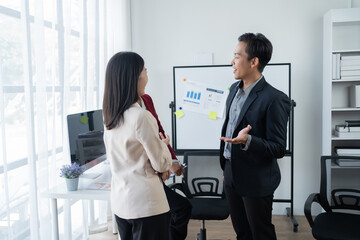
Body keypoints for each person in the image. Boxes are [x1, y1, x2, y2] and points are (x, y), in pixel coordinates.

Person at [219, 33, 290, 240]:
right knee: (242, 233)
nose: (232, 61)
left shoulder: (275, 99)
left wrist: (248, 141)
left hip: (257, 179)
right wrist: (227, 168)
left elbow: (278, 148)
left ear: (254, 61)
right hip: (232, 172)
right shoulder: (233, 89)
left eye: (237, 56)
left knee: (261, 234)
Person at [102, 51, 172, 240]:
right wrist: (164, 144)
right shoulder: (140, 116)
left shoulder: (109, 116)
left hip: (121, 203)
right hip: (147, 205)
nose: (147, 76)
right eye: (145, 71)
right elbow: (162, 165)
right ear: (135, 77)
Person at [140, 94, 192, 240]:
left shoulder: (147, 99)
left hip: (156, 172)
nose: (146, 74)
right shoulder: (126, 110)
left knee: (178, 209)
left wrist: (173, 161)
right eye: (144, 70)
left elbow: (160, 133)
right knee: (179, 209)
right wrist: (163, 165)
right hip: (143, 176)